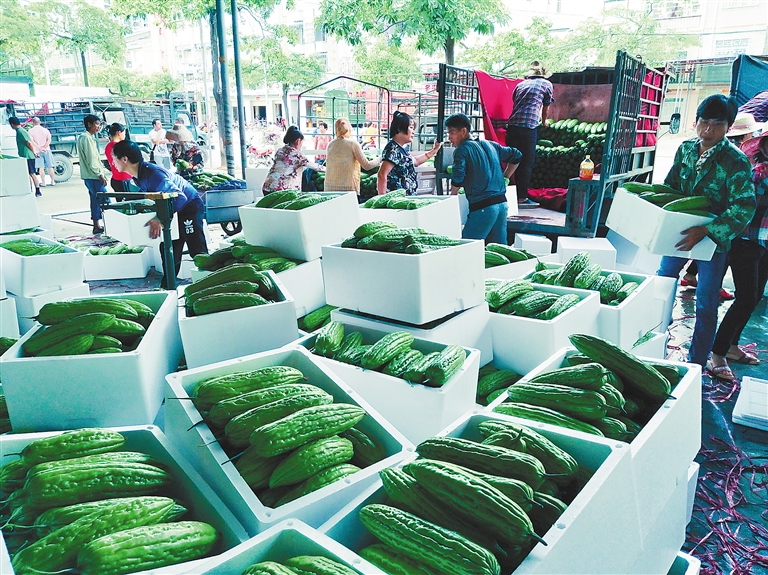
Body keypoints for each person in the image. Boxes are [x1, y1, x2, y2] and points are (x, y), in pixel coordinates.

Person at [657, 95, 756, 369]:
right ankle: (653, 346)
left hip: (713, 241)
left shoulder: (736, 161)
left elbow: (744, 207)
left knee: (706, 304)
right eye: (704, 123)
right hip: (676, 234)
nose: (708, 130)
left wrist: (708, 230)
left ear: (728, 127)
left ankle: (697, 364)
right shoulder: (686, 149)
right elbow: (671, 187)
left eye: (717, 124)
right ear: (695, 122)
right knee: (662, 286)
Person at [679, 112, 766, 298]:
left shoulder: (734, 155)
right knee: (719, 253)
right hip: (728, 222)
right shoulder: (736, 158)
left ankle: (694, 276)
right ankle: (708, 285)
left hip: (713, 219)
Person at [708, 132, 768, 379]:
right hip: (745, 241)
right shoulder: (757, 173)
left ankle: (732, 347)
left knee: (752, 299)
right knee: (745, 299)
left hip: (764, 242)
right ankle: (717, 354)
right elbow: (746, 206)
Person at [111, 140, 208, 288]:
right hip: (174, 210)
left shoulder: (153, 174)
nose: (112, 162)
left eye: (114, 158)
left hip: (189, 206)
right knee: (168, 249)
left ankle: (209, 280)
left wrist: (160, 219)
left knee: (196, 249)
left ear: (125, 159)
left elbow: (180, 197)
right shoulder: (138, 175)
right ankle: (168, 287)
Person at [447, 113, 522, 244]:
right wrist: (506, 176)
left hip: (483, 208)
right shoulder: (491, 145)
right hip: (502, 205)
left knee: (466, 248)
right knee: (499, 252)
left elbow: (458, 177)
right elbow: (517, 156)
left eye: (452, 133)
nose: (449, 138)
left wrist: (451, 197)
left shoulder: (462, 150)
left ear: (464, 131)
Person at [505, 60, 554, 208]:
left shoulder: (521, 84)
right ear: (544, 74)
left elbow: (516, 102)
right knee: (526, 163)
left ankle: (506, 193)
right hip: (528, 128)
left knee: (512, 162)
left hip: (512, 126)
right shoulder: (546, 85)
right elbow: (545, 107)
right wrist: (545, 122)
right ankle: (521, 198)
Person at [377, 111, 441, 196]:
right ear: (400, 128)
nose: (413, 132)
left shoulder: (402, 148)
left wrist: (434, 150)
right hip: (397, 199)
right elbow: (382, 174)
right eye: (411, 127)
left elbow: (415, 161)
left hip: (407, 197)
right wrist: (382, 198)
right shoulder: (393, 149)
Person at [324, 117, 381, 196]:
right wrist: (381, 158)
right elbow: (367, 165)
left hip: (329, 189)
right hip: (348, 189)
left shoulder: (330, 144)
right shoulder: (352, 144)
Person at [262, 126, 325, 194]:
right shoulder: (297, 155)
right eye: (302, 141)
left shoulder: (280, 151)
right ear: (298, 141)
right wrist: (329, 170)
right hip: (282, 190)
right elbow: (316, 167)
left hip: (267, 187)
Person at [76, 114, 108, 234]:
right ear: (89, 124)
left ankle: (97, 225)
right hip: (93, 176)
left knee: (95, 200)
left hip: (90, 176)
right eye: (97, 124)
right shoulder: (86, 138)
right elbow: (91, 159)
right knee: (105, 200)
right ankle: (108, 223)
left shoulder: (86, 137)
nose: (98, 127)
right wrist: (99, 174)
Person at [8, 116, 41, 197]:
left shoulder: (20, 131)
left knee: (31, 173)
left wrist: (34, 152)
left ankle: (37, 190)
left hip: (28, 156)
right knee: (29, 173)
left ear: (12, 124)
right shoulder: (20, 130)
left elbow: (28, 143)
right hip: (26, 155)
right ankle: (31, 189)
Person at [104, 123, 134, 196]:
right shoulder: (120, 146)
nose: (125, 135)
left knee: (121, 204)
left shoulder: (108, 146)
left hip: (116, 179)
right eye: (124, 133)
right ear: (119, 133)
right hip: (125, 179)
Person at [28, 117, 56, 187]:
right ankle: (52, 181)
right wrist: (44, 147)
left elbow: (32, 141)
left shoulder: (30, 131)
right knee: (50, 166)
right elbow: (49, 140)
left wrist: (39, 148)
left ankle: (43, 182)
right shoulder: (45, 130)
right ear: (39, 122)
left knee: (41, 167)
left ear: (33, 123)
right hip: (47, 150)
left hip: (37, 151)